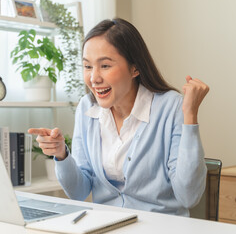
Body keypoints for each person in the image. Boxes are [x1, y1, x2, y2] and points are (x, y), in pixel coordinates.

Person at [28, 18, 209, 216]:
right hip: (106, 225)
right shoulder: (87, 108)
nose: (94, 78)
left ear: (135, 68)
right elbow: (79, 192)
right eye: (88, 67)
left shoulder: (170, 107)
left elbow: (189, 196)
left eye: (105, 66)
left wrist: (190, 115)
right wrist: (61, 154)